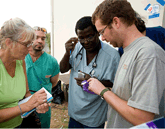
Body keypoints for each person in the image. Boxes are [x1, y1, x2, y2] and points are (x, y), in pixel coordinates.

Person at [89, 0, 165, 128]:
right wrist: (106, 90)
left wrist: (102, 91)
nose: (102, 38)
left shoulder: (148, 54)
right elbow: (129, 96)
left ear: (116, 22)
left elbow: (142, 117)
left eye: (102, 32)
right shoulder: (126, 50)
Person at [0, 17, 50, 128]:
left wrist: (37, 103)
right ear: (9, 42)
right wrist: (25, 106)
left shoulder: (20, 61)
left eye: (30, 44)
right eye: (26, 44)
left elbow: (26, 94)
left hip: (19, 125)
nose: (29, 49)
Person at [60, 16, 120, 128]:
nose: (86, 41)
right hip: (75, 114)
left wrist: (93, 81)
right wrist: (67, 53)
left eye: (90, 36)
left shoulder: (112, 56)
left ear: (98, 33)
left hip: (94, 116)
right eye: (81, 38)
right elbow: (62, 69)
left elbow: (115, 83)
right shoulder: (77, 47)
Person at [25, 26, 60, 128]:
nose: (40, 41)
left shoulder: (52, 61)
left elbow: (53, 83)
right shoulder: (21, 58)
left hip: (43, 106)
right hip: (24, 104)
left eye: (43, 38)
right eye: (36, 37)